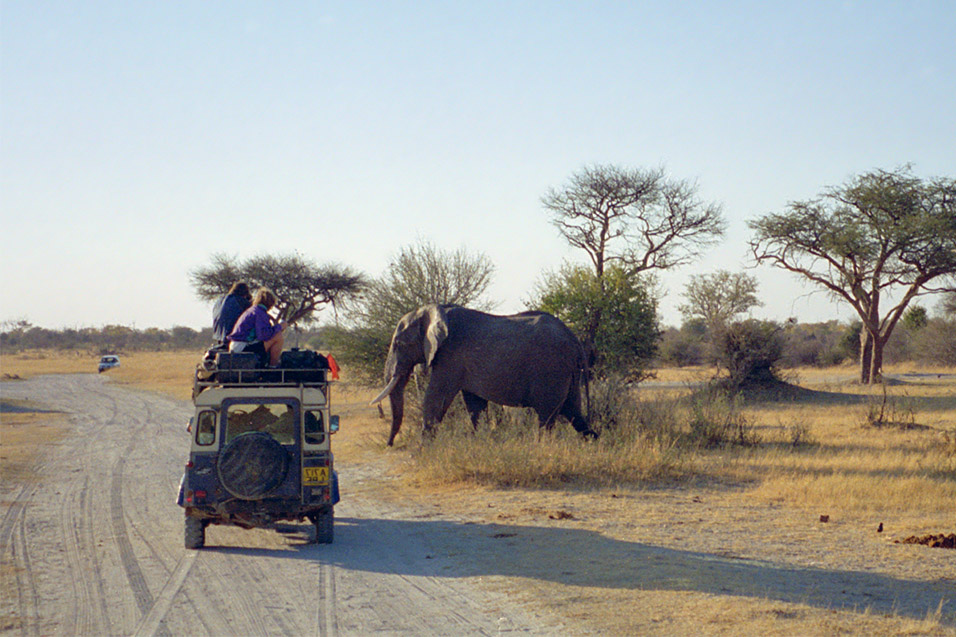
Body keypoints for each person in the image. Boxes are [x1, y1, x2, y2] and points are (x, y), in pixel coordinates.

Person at [227, 288, 287, 367]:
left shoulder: (252, 310)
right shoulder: (260, 313)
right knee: (278, 336)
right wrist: (279, 327)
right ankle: (273, 367)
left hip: (236, 346)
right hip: (243, 347)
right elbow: (263, 335)